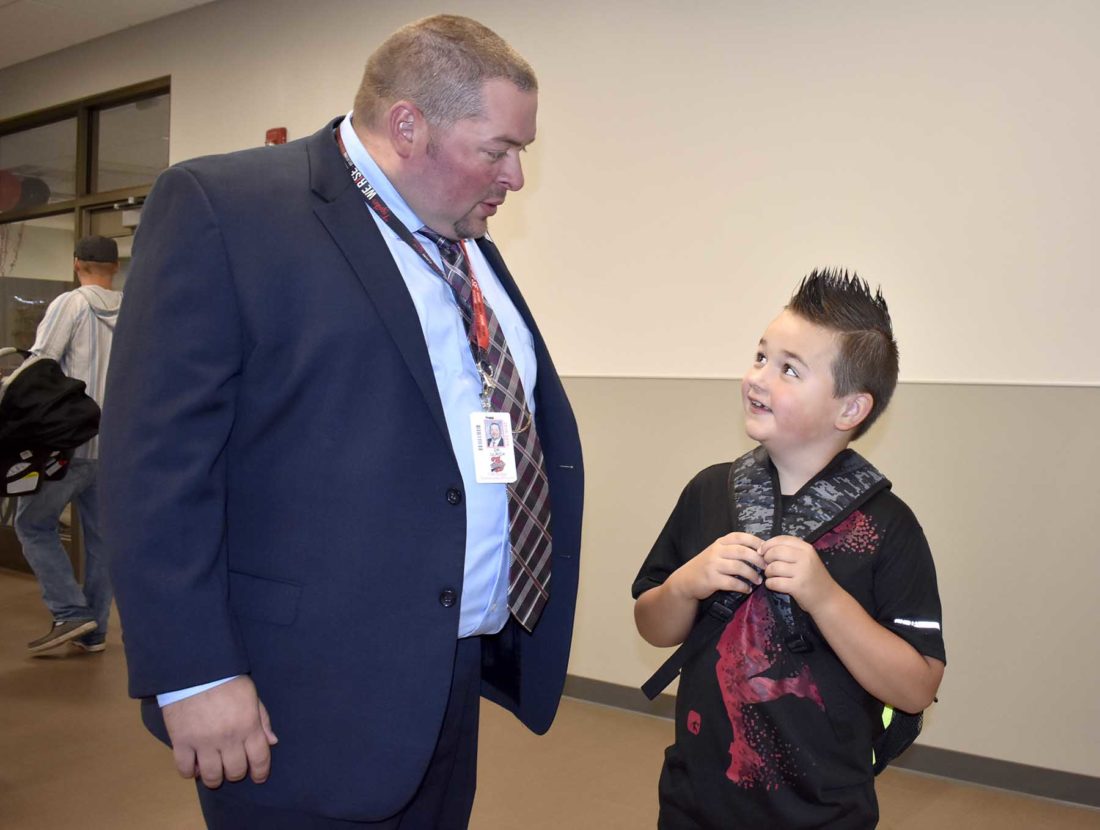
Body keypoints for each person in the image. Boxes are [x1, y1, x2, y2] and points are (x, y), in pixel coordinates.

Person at [98, 14, 584, 830]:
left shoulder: (462, 241)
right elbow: (154, 467)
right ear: (408, 126)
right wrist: (192, 673)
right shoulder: (227, 209)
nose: (515, 177)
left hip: (445, 678)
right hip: (296, 698)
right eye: (498, 150)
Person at [633, 270, 945, 829]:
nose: (758, 378)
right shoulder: (709, 491)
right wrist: (685, 584)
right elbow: (652, 627)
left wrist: (827, 599)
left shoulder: (889, 527)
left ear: (849, 410)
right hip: (694, 801)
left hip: (822, 813)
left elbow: (917, 687)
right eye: (760, 356)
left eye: (789, 369)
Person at [17, 234, 122, 655]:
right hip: (114, 447)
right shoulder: (135, 310)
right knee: (102, 540)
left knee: (31, 524)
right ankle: (94, 632)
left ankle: (70, 611)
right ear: (115, 267)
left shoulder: (71, 303)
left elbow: (40, 364)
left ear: (77, 264)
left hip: (69, 444)